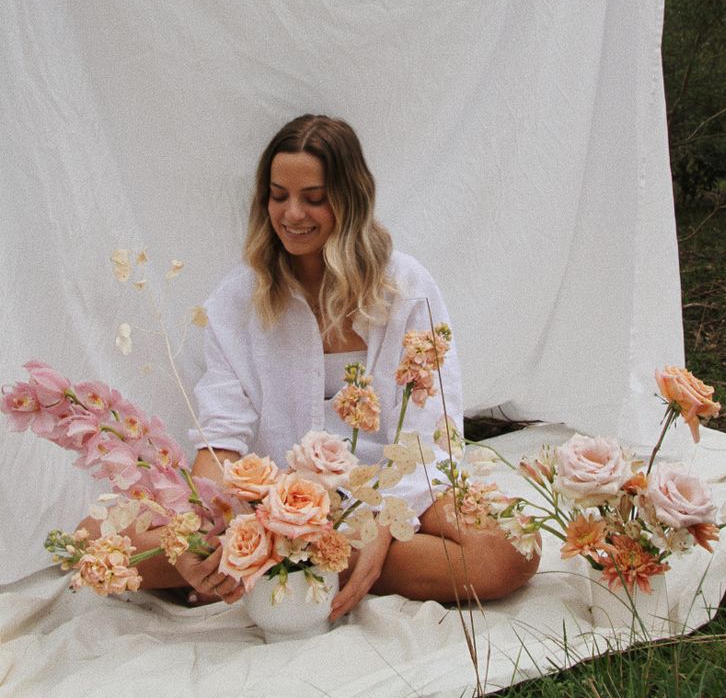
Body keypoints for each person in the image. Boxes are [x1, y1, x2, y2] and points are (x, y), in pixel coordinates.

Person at [80, 114, 539, 615]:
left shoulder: (406, 287)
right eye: (278, 195)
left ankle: (283, 567)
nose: (292, 213)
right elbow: (222, 440)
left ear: (349, 198)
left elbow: (435, 439)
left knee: (513, 549)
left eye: (313, 197)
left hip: (394, 494)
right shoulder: (238, 298)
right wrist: (198, 533)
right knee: (93, 539)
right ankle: (300, 557)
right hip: (273, 505)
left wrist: (380, 525)